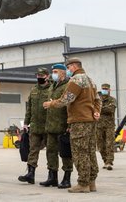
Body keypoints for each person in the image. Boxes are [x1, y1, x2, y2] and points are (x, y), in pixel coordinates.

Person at [43, 57, 101, 193]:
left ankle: (83, 183)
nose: (68, 71)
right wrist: (97, 111)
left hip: (79, 121)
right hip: (90, 121)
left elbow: (66, 99)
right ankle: (91, 182)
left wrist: (50, 103)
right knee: (90, 151)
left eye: (68, 68)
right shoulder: (90, 80)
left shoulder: (76, 80)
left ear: (73, 66)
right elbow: (98, 100)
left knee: (80, 153)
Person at [40, 63, 73, 189]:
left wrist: (69, 123)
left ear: (63, 73)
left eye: (55, 71)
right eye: (52, 71)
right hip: (51, 125)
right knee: (51, 152)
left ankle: (67, 177)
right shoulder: (52, 86)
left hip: (63, 124)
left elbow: (69, 105)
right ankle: (52, 176)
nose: (53, 74)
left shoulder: (68, 86)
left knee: (65, 153)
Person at [18, 68, 51, 184]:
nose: (39, 77)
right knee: (33, 150)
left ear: (47, 76)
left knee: (50, 151)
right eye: (37, 75)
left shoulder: (52, 89)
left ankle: (52, 175)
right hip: (35, 125)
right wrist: (26, 123)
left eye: (41, 75)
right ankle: (30, 174)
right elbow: (30, 108)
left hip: (48, 126)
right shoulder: (34, 90)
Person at [96, 83, 116, 170]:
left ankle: (109, 162)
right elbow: (93, 108)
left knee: (109, 143)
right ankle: (105, 160)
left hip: (109, 125)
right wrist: (100, 108)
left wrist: (99, 108)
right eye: (103, 88)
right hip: (98, 125)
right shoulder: (97, 99)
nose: (104, 90)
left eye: (106, 89)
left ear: (109, 90)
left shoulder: (112, 100)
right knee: (100, 145)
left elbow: (110, 109)